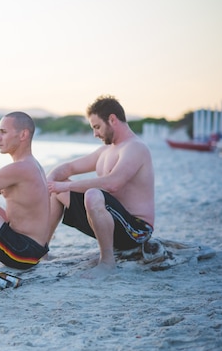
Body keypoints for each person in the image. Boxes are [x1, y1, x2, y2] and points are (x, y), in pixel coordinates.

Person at [46, 95, 155, 277]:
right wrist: (50, 182)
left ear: (112, 120)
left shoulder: (135, 148)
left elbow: (112, 183)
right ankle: (41, 250)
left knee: (92, 194)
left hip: (136, 231)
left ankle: (107, 262)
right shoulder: (105, 151)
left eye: (97, 127)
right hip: (110, 223)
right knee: (58, 188)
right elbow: (69, 167)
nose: (95, 134)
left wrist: (65, 187)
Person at [0, 111, 50, 270]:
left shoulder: (20, 168)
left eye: (3, 132)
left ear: (23, 134)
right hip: (31, 250)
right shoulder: (32, 164)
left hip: (22, 253)